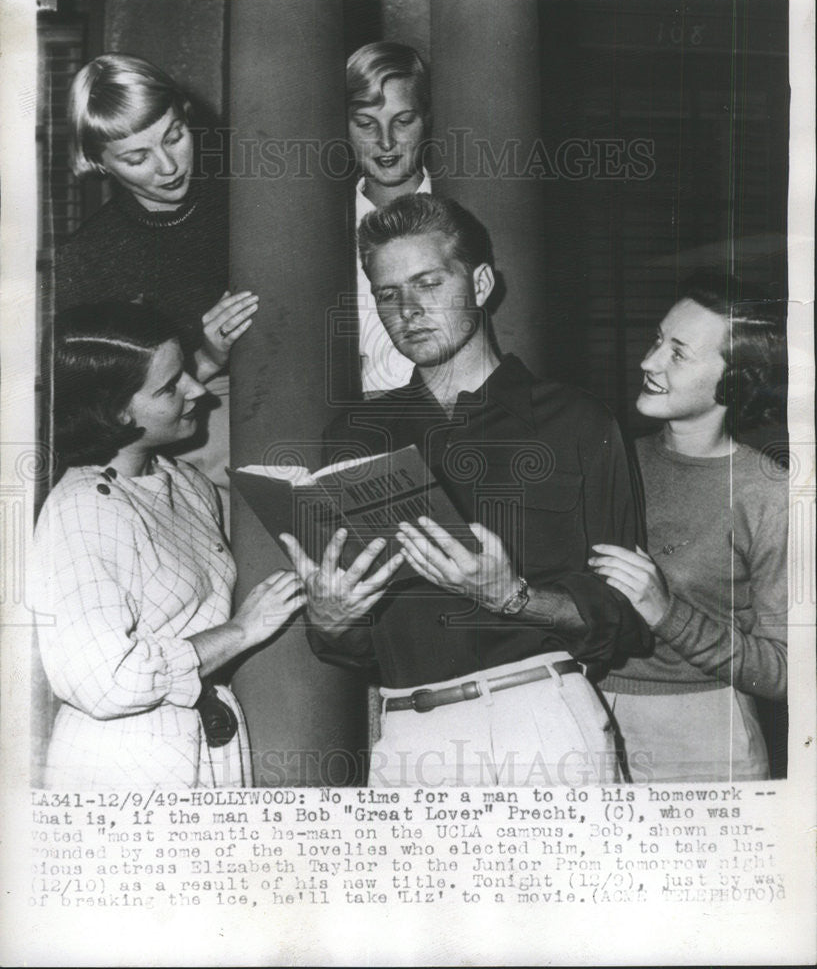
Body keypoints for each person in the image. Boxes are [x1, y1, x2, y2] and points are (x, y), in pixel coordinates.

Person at [281, 193, 653, 788]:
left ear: (480, 283)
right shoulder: (355, 437)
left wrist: (513, 597)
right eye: (387, 293)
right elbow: (361, 647)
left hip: (542, 722)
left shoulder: (578, 421)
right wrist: (329, 621)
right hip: (407, 732)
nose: (408, 309)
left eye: (429, 283)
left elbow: (628, 616)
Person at [33, 303, 305, 788]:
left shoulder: (184, 482)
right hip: (123, 763)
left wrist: (207, 353)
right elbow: (107, 681)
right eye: (170, 386)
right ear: (116, 411)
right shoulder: (80, 509)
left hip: (202, 748)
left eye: (186, 373)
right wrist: (242, 631)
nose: (198, 390)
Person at [590, 277, 788, 782]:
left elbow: (788, 672)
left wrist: (666, 613)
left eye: (677, 354)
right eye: (658, 340)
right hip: (586, 717)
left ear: (735, 381)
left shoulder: (768, 492)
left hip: (702, 737)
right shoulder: (612, 461)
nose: (649, 362)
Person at [55, 53, 258, 502]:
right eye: (137, 157)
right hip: (188, 421)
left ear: (186, 114)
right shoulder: (89, 259)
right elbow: (107, 418)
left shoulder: (246, 190)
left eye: (174, 137)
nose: (167, 167)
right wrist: (207, 356)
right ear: (98, 161)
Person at [347, 42, 432, 396]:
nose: (385, 142)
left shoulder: (461, 211)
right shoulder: (319, 234)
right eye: (366, 124)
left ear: (427, 118)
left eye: (403, 121)